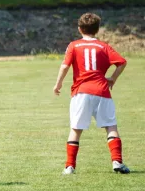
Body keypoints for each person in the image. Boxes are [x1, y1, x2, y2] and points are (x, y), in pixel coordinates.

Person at [53, 13, 129, 175]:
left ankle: (69, 166)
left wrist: (58, 83)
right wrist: (112, 79)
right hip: (102, 90)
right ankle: (117, 162)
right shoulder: (104, 46)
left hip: (81, 92)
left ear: (79, 29)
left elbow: (65, 66)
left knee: (76, 129)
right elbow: (122, 62)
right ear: (97, 29)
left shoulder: (74, 45)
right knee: (110, 126)